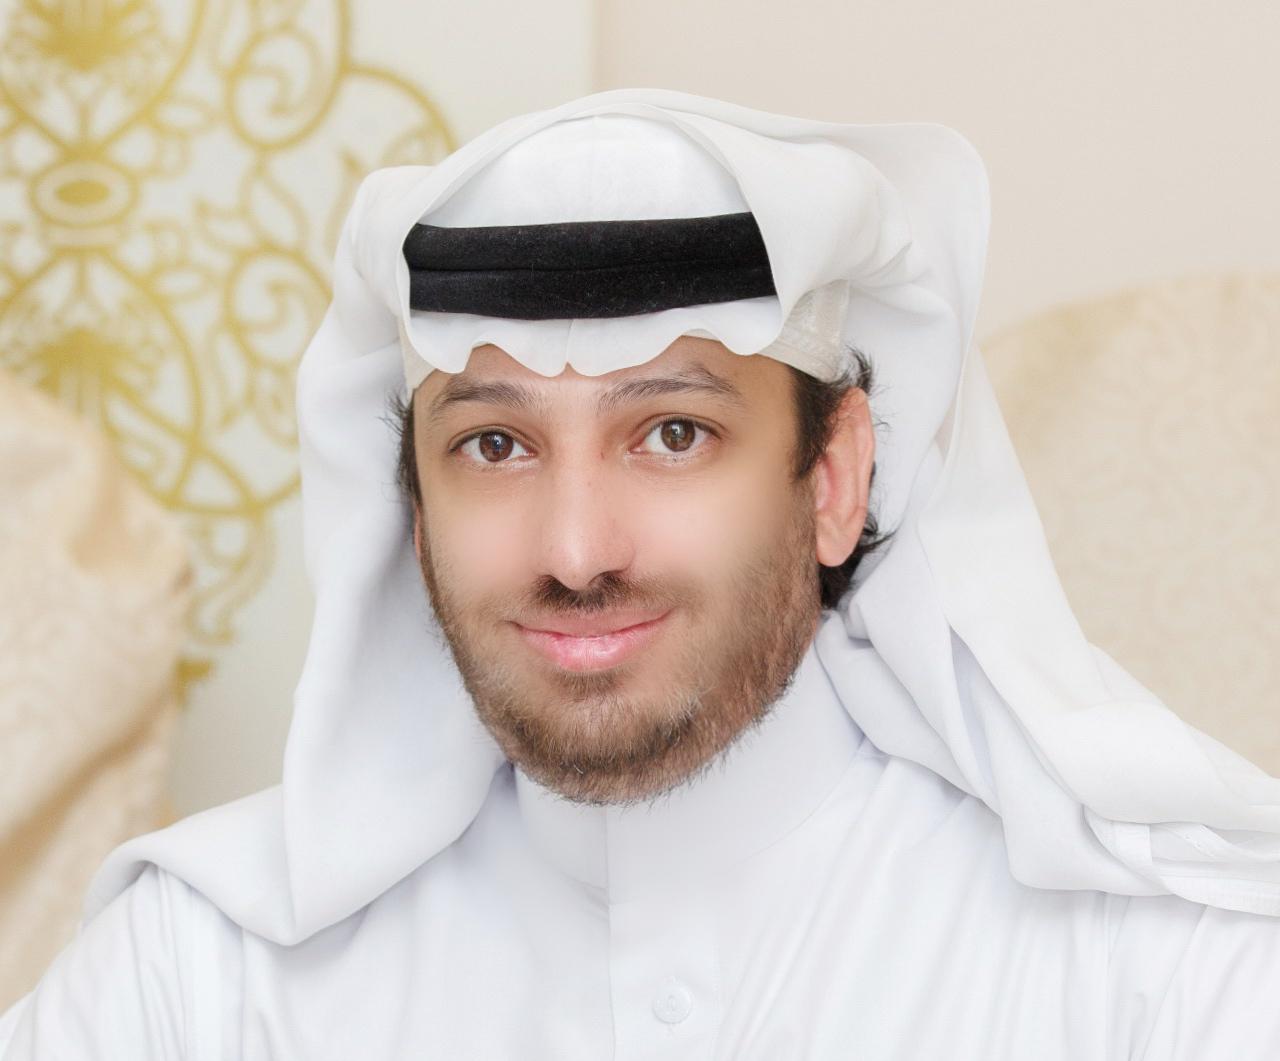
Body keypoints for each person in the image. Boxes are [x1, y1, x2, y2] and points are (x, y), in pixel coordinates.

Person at [3, 88, 1279, 1059]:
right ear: (412, 507)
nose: (575, 552)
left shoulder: (1164, 976)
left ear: (833, 476)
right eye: (493, 444)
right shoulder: (196, 983)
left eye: (672, 433)